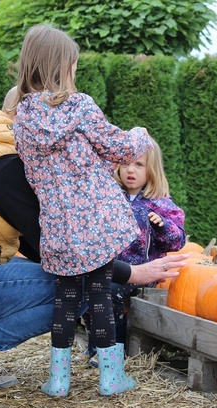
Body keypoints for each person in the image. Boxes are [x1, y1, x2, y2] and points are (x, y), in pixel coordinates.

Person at [0, 103, 188, 391]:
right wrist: (131, 273)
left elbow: (37, 246)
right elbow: (59, 249)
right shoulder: (4, 166)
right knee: (82, 286)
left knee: (68, 276)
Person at [9, 24, 152, 397]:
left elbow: (45, 168)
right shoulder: (79, 106)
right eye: (72, 65)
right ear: (61, 67)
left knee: (66, 300)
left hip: (57, 227)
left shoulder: (22, 119)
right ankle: (111, 378)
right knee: (101, 293)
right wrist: (140, 133)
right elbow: (118, 149)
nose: (75, 72)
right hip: (96, 224)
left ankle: (59, 380)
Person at [82, 137, 186, 363]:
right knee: (89, 288)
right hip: (112, 267)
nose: (131, 170)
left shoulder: (159, 203)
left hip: (143, 272)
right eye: (125, 163)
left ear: (151, 169)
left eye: (139, 165)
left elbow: (177, 241)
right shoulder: (110, 197)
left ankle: (113, 350)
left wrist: (163, 225)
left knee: (108, 292)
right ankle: (95, 347)